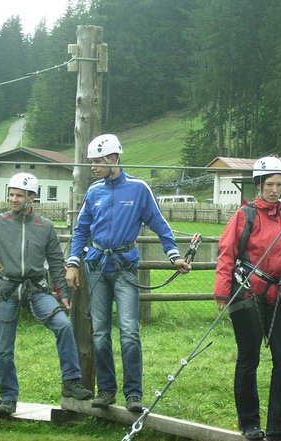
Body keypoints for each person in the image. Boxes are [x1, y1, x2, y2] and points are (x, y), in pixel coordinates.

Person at [65, 134, 191, 413]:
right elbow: (81, 229)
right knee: (99, 332)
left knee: (130, 332)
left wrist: (174, 256)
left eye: (97, 162)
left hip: (124, 269)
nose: (93, 167)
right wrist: (73, 263)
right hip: (97, 267)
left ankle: (133, 393)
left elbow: (160, 224)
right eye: (90, 163)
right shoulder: (94, 191)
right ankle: (107, 390)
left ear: (113, 159)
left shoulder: (138, 188)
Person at [0, 172, 92, 416]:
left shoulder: (45, 227)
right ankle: (9, 398)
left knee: (63, 325)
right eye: (11, 194)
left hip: (36, 288)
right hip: (7, 289)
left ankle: (71, 382)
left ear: (32, 197)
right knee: (4, 348)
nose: (13, 199)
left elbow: (54, 262)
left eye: (19, 195)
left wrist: (62, 293)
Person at [214, 156, 281, 441]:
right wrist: (222, 291)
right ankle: (250, 423)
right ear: (258, 185)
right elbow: (227, 252)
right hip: (246, 292)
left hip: (277, 295)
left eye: (279, 184)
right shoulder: (245, 216)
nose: (275, 190)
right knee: (249, 357)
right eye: (270, 184)